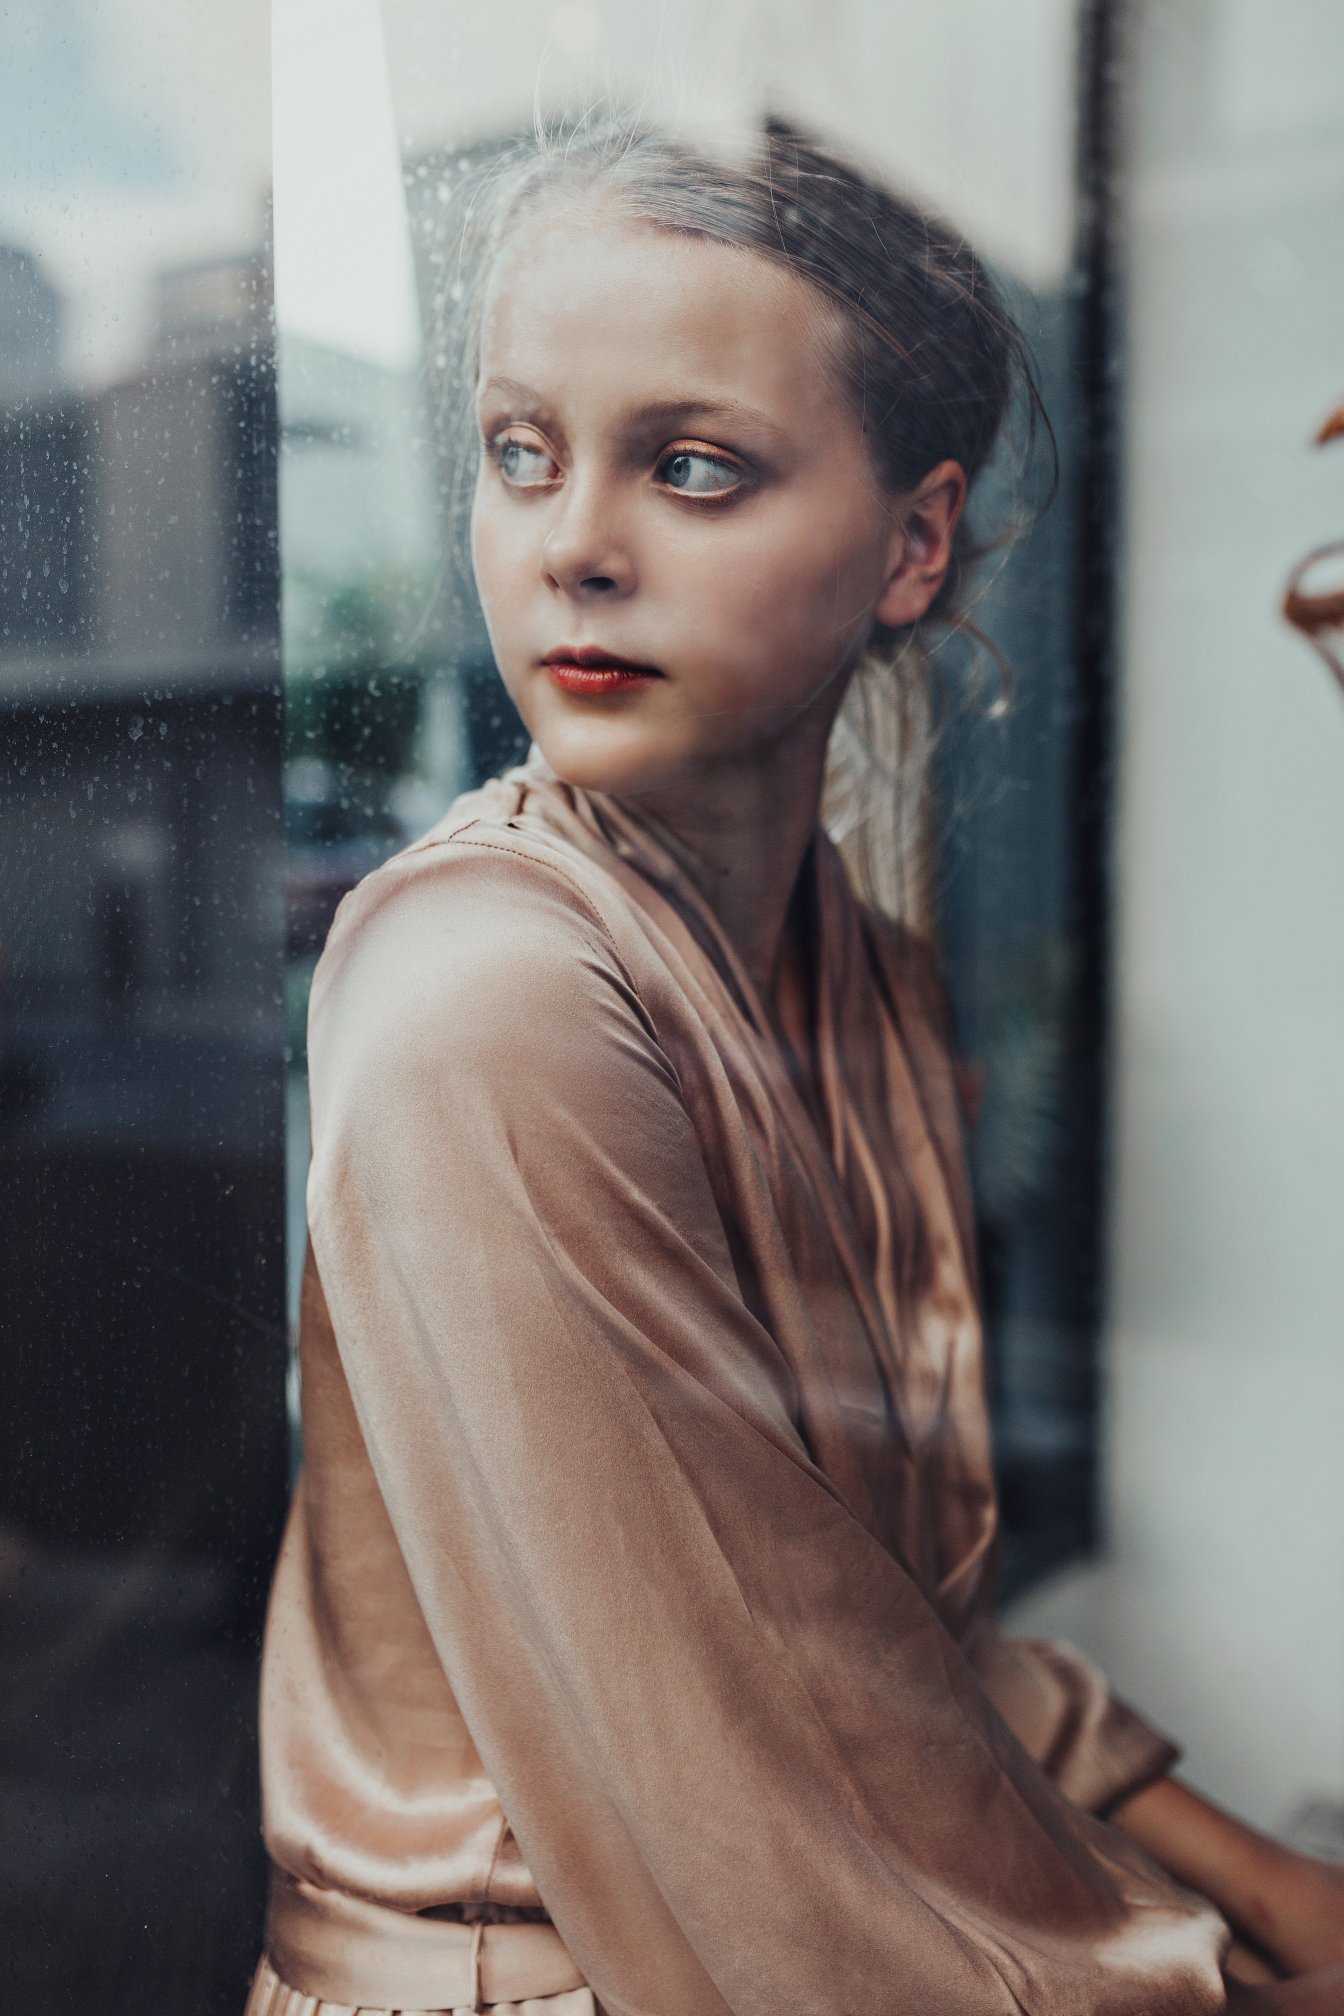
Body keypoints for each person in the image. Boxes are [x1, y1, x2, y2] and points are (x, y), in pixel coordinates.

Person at [246, 118, 1344, 2016]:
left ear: (914, 544)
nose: (572, 543)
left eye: (691, 467)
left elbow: (888, 1640)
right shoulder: (477, 994)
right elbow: (748, 1797)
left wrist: (1276, 1885)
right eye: (521, 453)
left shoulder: (875, 989)